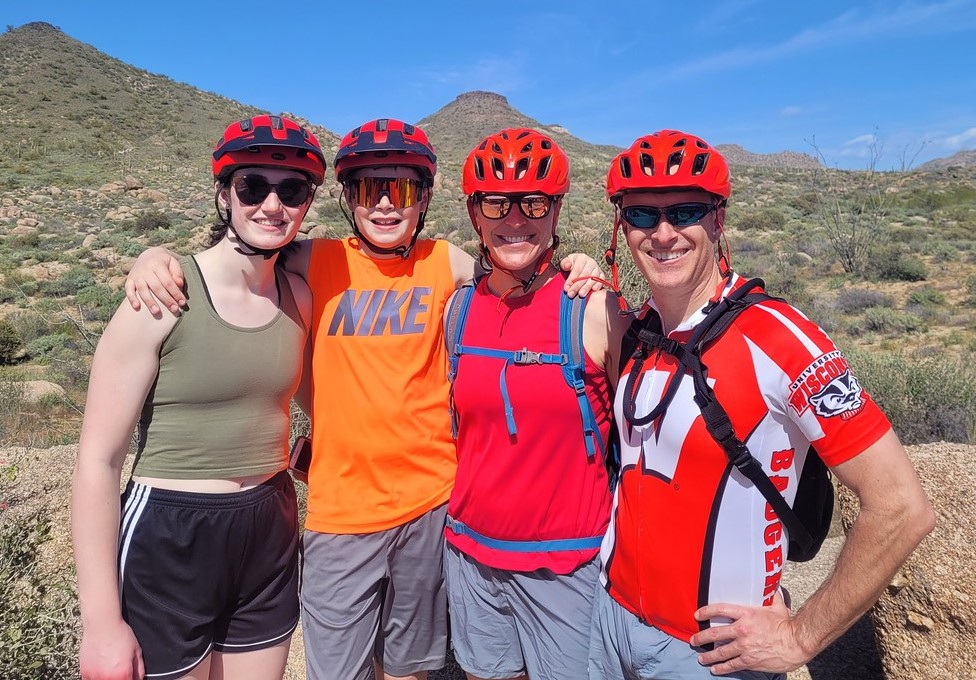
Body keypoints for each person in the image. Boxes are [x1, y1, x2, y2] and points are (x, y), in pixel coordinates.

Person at [122, 118, 605, 680]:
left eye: (399, 189)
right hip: (340, 512)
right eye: (367, 189)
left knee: (409, 666)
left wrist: (575, 264)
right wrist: (156, 255)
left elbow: (519, 269)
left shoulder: (444, 262)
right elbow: (236, 254)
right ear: (348, 197)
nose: (383, 204)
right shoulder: (315, 260)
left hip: (432, 504)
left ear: (423, 198)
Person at [588, 130, 936, 680]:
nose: (662, 233)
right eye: (641, 215)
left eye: (685, 211)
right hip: (607, 625)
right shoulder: (637, 332)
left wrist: (801, 638)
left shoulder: (777, 336)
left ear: (717, 220)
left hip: (710, 656)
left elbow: (901, 505)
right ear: (621, 226)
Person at [71, 114, 322, 680]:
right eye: (252, 186)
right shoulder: (161, 296)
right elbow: (97, 461)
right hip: (171, 531)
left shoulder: (298, 295)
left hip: (271, 524)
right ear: (224, 194)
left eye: (293, 190)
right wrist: (100, 624)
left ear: (308, 201)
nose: (272, 205)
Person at [442, 128, 631, 680]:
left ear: (555, 210)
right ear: (476, 214)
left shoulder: (595, 310)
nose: (515, 219)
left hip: (568, 564)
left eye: (533, 202)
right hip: (471, 554)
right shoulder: (457, 310)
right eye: (497, 203)